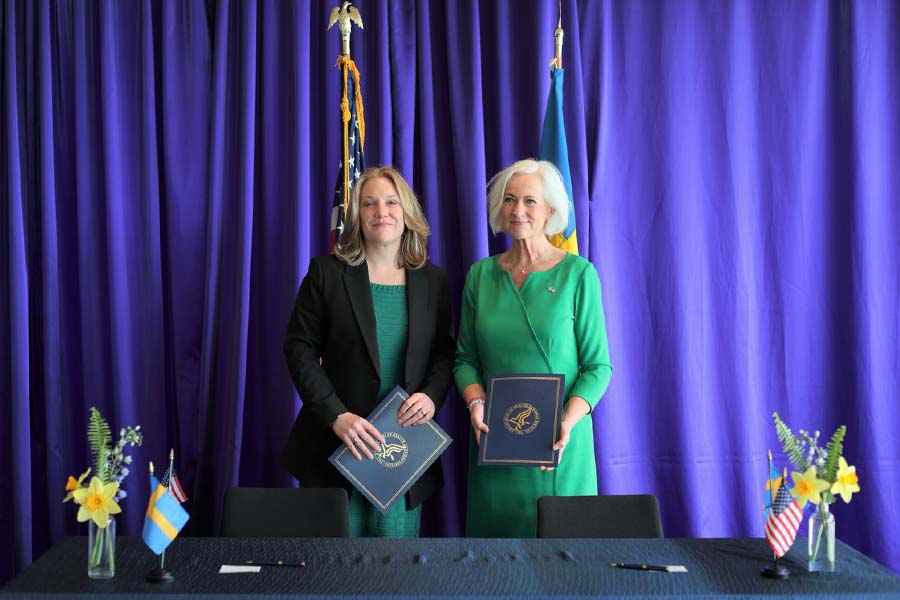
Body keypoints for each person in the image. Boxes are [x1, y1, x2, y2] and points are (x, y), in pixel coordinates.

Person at [281, 166, 455, 537]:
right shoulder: (326, 273)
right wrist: (336, 416)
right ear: (356, 215)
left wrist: (431, 397)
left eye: (392, 202)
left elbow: (445, 353)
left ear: (407, 212)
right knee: (330, 575)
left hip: (402, 452)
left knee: (393, 579)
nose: (382, 212)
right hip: (334, 449)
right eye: (369, 203)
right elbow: (299, 349)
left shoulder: (434, 281)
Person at [454, 159, 613, 537]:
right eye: (509, 200)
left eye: (529, 201)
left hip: (560, 445)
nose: (517, 210)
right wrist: (476, 405)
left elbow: (598, 367)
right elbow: (464, 359)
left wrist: (566, 422)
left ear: (550, 212)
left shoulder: (579, 274)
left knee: (564, 571)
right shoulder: (480, 275)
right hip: (494, 443)